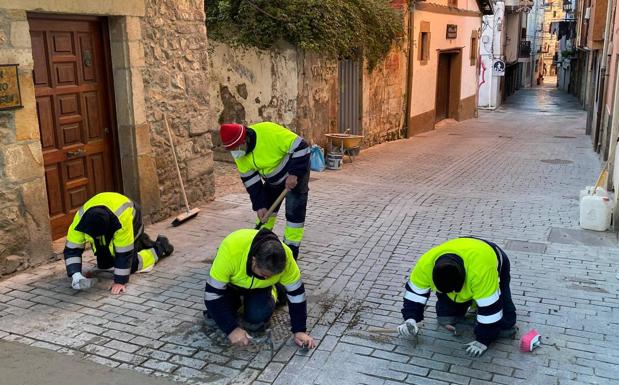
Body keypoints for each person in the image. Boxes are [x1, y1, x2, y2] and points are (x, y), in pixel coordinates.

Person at [398, 237, 517, 357]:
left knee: (505, 325)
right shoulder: (425, 266)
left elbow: (491, 309)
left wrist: (484, 339)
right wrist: (411, 319)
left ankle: (481, 309)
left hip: (489, 255)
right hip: (463, 252)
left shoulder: (482, 272)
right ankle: (461, 307)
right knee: (446, 317)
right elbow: (414, 295)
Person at [203, 228, 315, 349]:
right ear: (254, 260)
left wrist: (299, 330)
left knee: (255, 321)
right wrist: (232, 329)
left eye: (272, 276)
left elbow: (297, 295)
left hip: (260, 288)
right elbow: (211, 296)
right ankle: (238, 299)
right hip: (232, 285)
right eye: (264, 275)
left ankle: (274, 290)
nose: (267, 278)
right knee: (213, 317)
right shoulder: (231, 250)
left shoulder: (287, 260)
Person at [219, 122, 310, 260]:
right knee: (266, 212)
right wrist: (259, 204)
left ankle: (290, 251)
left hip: (294, 172)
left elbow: (302, 147)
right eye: (231, 150)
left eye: (236, 148)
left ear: (244, 140)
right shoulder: (240, 154)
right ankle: (259, 245)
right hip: (272, 179)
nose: (235, 153)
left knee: (293, 213)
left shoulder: (269, 132)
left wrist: (294, 174)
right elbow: (251, 182)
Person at [63, 192, 174, 294]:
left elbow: (124, 253)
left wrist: (120, 281)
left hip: (131, 215)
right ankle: (141, 241)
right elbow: (72, 249)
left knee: (131, 265)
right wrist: (76, 275)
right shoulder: (80, 222)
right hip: (107, 211)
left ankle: (160, 247)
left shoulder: (121, 221)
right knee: (105, 265)